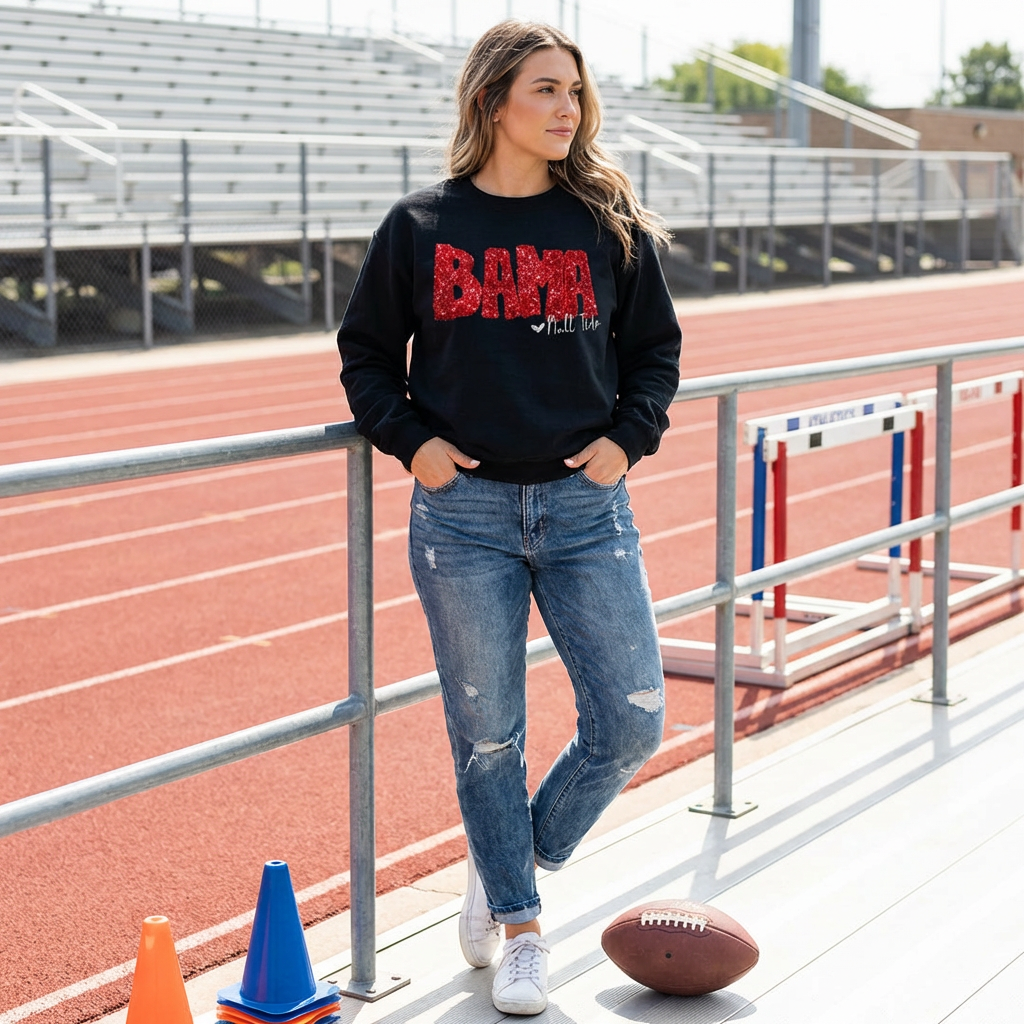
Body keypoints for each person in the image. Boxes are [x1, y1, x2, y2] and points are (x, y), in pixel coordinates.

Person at [337, 20, 681, 1015]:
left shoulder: (607, 223)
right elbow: (365, 354)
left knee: (631, 717)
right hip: (464, 519)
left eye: (574, 91)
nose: (568, 108)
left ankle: (505, 865)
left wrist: (628, 437)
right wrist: (416, 446)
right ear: (493, 102)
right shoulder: (419, 227)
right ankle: (523, 928)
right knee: (487, 738)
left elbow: (655, 353)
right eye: (545, 90)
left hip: (585, 507)